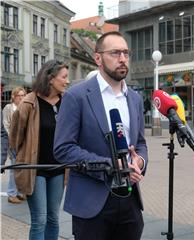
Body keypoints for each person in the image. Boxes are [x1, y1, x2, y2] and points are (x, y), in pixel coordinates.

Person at [53, 31, 148, 240]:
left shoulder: (134, 98)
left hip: (130, 201)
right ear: (98, 58)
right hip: (91, 203)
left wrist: (139, 161)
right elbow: (63, 148)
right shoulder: (76, 96)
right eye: (115, 53)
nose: (122, 59)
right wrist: (109, 165)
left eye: (125, 53)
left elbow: (140, 143)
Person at [9, 60, 69, 240]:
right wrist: (22, 158)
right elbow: (15, 138)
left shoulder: (66, 102)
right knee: (39, 219)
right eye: (64, 77)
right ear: (51, 78)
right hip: (35, 169)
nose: (67, 81)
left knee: (53, 218)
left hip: (58, 169)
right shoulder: (29, 103)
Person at [2, 86, 26, 203]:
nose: (21, 98)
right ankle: (12, 194)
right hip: (13, 143)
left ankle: (20, 192)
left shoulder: (26, 107)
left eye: (23, 95)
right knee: (14, 169)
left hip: (24, 143)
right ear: (13, 97)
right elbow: (5, 124)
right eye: (19, 96)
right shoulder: (8, 108)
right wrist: (13, 139)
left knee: (23, 168)